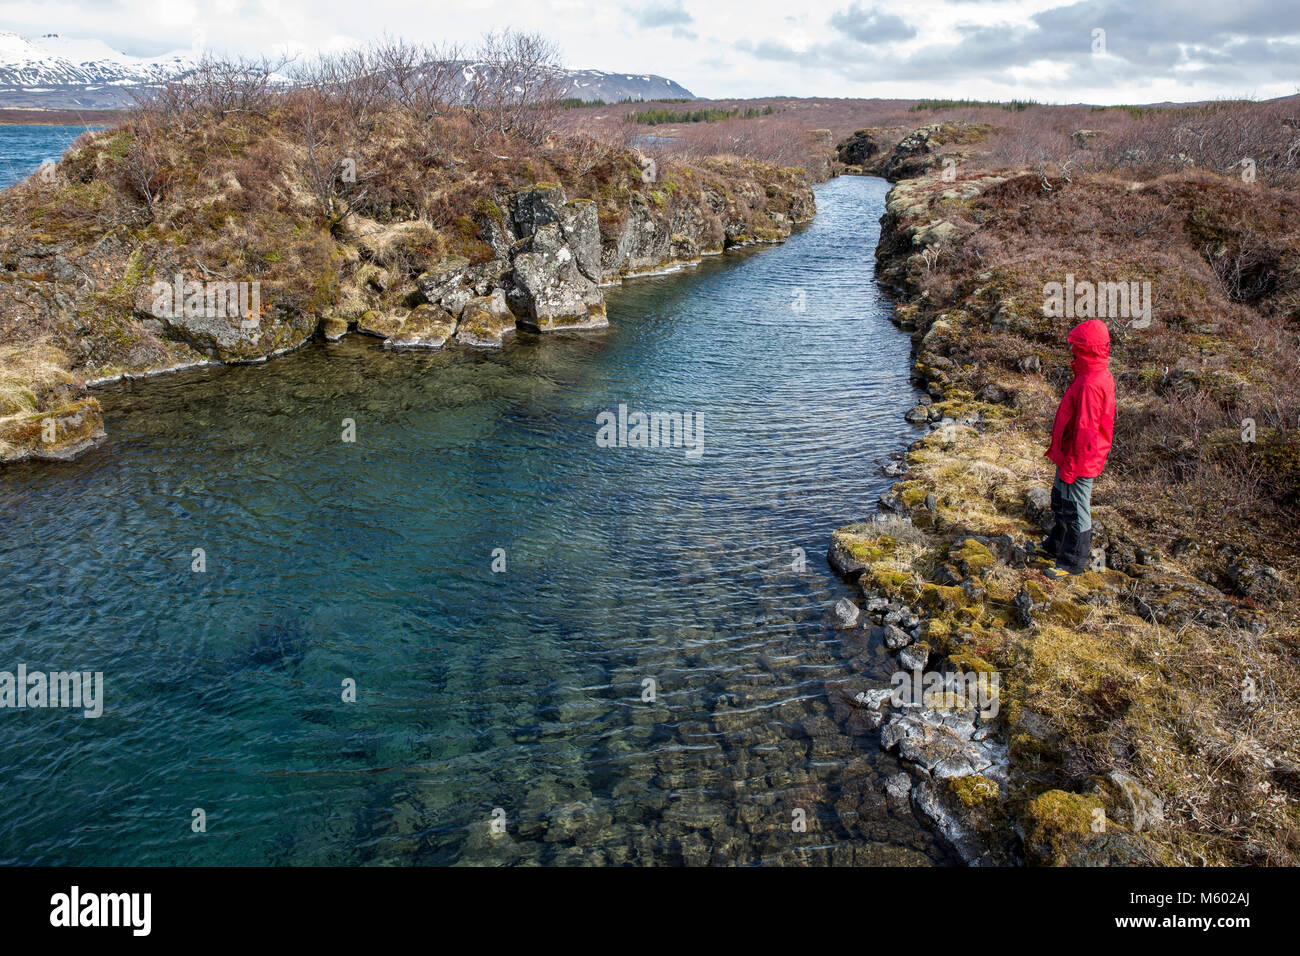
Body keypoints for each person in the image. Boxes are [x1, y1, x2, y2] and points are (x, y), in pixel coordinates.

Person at [1037, 318, 1116, 578]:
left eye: (1075, 346)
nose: (1071, 350)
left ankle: (1072, 563)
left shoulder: (1091, 383)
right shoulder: (1090, 375)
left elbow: (1087, 431)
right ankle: (1056, 545)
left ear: (1086, 349)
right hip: (1071, 454)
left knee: (1075, 508)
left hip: (1080, 459)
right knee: (1061, 500)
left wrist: (1071, 465)